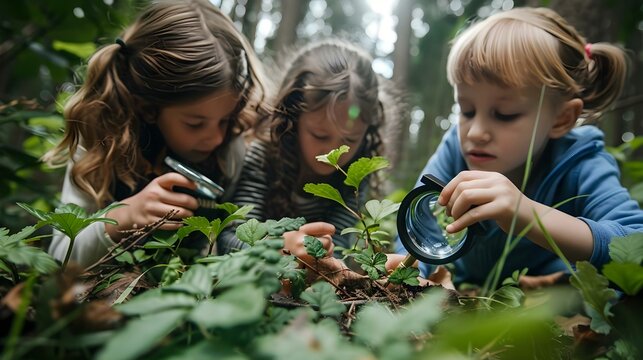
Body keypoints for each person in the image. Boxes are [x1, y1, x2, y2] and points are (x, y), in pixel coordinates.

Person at [395, 7, 643, 287]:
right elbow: (420, 221)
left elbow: (635, 243)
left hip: (548, 303)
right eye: (466, 110)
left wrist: (527, 214)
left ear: (561, 119)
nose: (475, 132)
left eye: (505, 114)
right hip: (465, 290)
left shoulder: (581, 160)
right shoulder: (455, 145)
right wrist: (411, 269)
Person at [44, 0, 267, 268]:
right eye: (195, 124)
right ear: (147, 107)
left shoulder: (231, 148)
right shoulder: (100, 138)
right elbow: (60, 255)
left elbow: (231, 245)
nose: (216, 138)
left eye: (225, 120)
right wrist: (125, 216)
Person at [218, 39, 401, 263]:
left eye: (351, 139)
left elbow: (341, 250)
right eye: (319, 135)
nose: (334, 151)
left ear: (367, 132)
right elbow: (229, 239)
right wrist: (275, 248)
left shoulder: (354, 177)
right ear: (292, 118)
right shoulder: (262, 158)